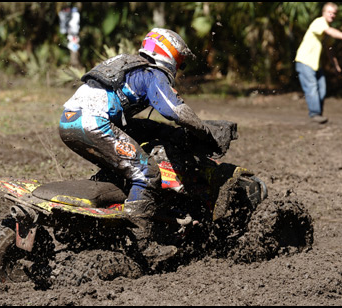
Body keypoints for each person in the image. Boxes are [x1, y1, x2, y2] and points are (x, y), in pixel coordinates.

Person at [59, 28, 223, 260]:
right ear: (169, 54)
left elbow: (130, 121)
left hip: (69, 121)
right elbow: (174, 110)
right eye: (180, 61)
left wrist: (168, 133)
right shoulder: (151, 72)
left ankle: (95, 217)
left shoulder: (127, 65)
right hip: (94, 123)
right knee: (147, 173)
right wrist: (204, 131)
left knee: (119, 169)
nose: (180, 67)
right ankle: (143, 244)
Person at [295, 2, 342, 124]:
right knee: (312, 88)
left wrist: (336, 66)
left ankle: (318, 115)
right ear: (324, 13)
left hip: (315, 65)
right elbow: (330, 31)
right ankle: (315, 114)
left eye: (334, 13)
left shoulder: (327, 31)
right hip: (304, 61)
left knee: (322, 89)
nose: (332, 15)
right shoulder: (319, 23)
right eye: (329, 12)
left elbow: (329, 50)